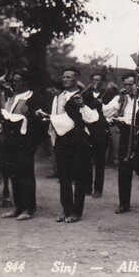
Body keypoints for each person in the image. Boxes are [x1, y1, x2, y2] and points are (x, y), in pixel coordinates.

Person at [45, 67, 99, 223]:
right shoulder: (58, 97)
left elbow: (94, 117)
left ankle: (76, 212)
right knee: (64, 177)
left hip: (79, 139)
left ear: (76, 79)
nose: (65, 79)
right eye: (63, 77)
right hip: (62, 140)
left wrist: (82, 105)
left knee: (80, 176)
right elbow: (54, 118)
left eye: (69, 77)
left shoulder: (86, 95)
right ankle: (66, 210)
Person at [0, 69, 45, 220]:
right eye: (14, 81)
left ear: (26, 82)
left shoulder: (33, 97)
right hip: (11, 141)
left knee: (26, 174)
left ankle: (29, 208)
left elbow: (39, 121)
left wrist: (29, 114)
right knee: (13, 173)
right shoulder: (12, 97)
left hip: (25, 143)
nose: (15, 83)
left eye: (18, 81)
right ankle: (18, 207)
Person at [103, 72, 139, 214]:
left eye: (131, 84)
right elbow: (106, 112)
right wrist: (119, 102)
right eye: (126, 84)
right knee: (124, 169)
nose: (128, 87)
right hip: (125, 133)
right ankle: (124, 203)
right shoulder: (121, 98)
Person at [82, 72, 116, 198]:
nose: (95, 82)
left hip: (101, 131)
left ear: (102, 82)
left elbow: (109, 110)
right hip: (87, 130)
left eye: (98, 80)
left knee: (100, 161)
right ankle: (87, 187)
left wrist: (100, 103)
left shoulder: (109, 94)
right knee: (86, 159)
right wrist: (96, 102)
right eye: (93, 80)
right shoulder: (85, 94)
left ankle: (98, 189)